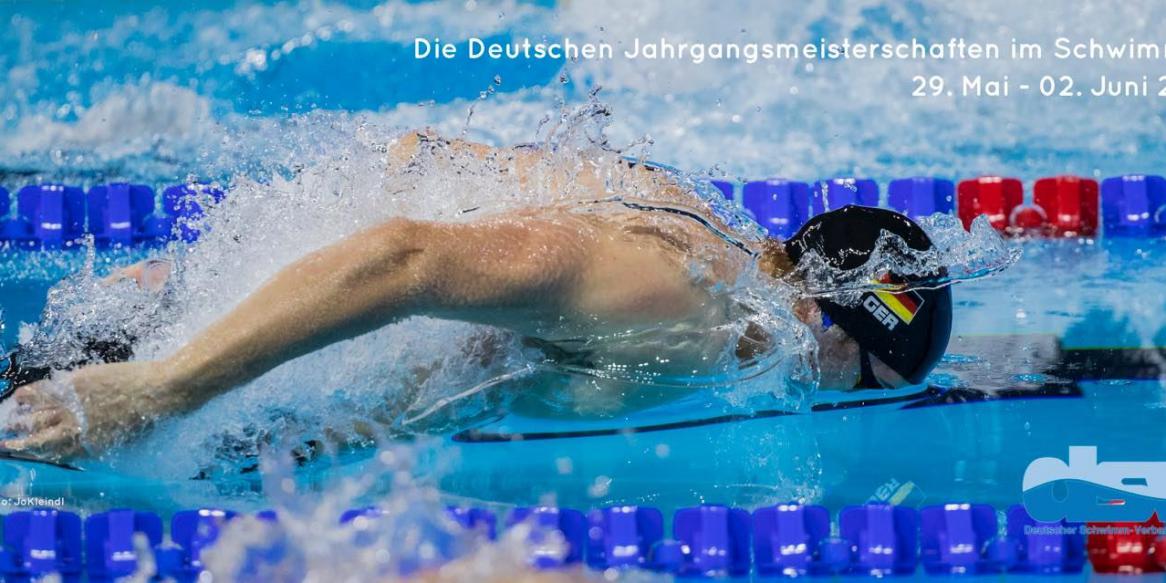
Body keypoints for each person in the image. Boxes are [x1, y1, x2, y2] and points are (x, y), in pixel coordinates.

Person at [0, 131, 951, 458]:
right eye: (863, 377)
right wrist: (162, 385)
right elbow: (404, 256)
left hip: (236, 340)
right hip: (181, 367)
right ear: (826, 318)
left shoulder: (716, 248)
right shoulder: (683, 294)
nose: (847, 397)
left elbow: (421, 166)